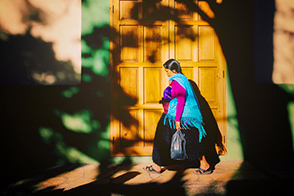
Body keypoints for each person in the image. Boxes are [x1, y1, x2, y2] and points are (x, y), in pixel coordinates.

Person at [144, 59, 212, 175]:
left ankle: (204, 164)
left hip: (180, 116)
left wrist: (177, 120)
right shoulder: (183, 80)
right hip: (187, 116)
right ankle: (204, 164)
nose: (167, 74)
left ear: (174, 70)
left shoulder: (177, 82)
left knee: (163, 137)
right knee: (191, 139)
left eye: (167, 71)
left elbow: (180, 101)